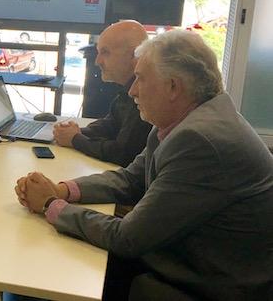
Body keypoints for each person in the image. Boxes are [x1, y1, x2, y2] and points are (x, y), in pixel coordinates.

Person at [15, 30, 273, 300]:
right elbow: (129, 180)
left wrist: (50, 205)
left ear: (173, 87)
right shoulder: (181, 121)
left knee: (54, 273)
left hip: (212, 285)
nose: (132, 90)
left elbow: (127, 238)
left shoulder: (199, 141)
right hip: (189, 257)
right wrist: (62, 190)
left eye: (140, 78)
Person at [53, 20, 152, 166]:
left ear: (134, 55)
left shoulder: (146, 95)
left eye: (105, 52)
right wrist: (73, 132)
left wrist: (75, 139)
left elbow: (123, 154)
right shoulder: (126, 90)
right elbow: (110, 125)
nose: (97, 61)